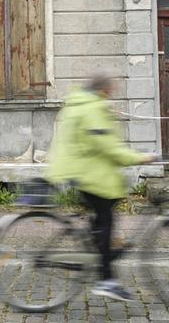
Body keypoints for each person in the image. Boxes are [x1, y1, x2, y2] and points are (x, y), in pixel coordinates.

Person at [46, 71, 157, 302]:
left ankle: (100, 251)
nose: (110, 97)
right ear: (102, 90)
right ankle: (106, 280)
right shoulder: (92, 108)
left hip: (81, 170)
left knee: (103, 219)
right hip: (90, 175)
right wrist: (140, 158)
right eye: (109, 92)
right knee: (106, 220)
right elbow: (108, 146)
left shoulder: (82, 103)